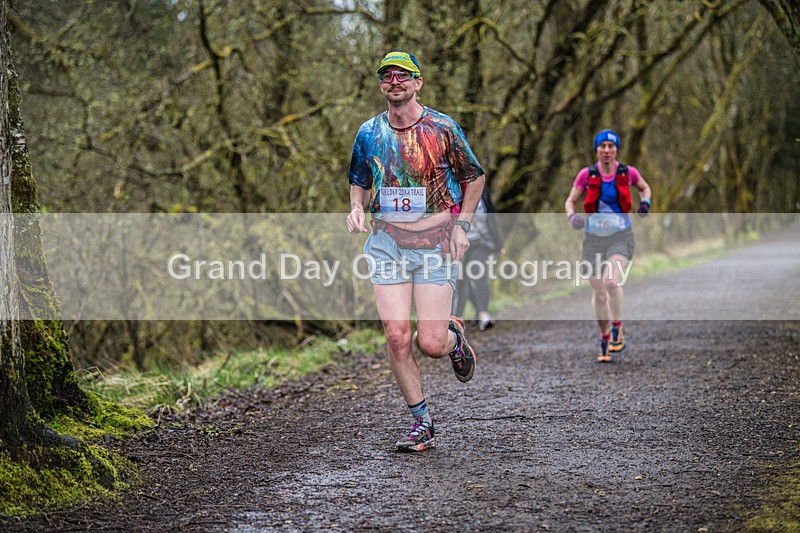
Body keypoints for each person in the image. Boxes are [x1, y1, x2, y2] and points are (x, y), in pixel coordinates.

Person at [346, 51, 486, 451]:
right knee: (395, 336)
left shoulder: (442, 127)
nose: (394, 81)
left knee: (430, 344)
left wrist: (463, 226)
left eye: (402, 75)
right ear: (380, 85)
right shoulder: (369, 132)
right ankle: (421, 422)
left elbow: (473, 178)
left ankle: (452, 336)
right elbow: (359, 179)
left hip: (435, 244)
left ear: (417, 82)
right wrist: (357, 208)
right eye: (386, 76)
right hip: (387, 243)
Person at [564, 129, 652, 363]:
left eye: (610, 146)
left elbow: (644, 187)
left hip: (621, 236)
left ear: (616, 150)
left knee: (611, 281)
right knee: (599, 295)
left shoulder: (628, 172)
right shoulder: (586, 175)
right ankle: (604, 337)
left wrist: (646, 203)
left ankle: (617, 327)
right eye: (602, 146)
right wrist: (572, 217)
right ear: (596, 150)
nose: (606, 150)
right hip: (593, 239)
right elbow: (570, 201)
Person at [452, 187, 505, 331]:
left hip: (480, 241)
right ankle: (457, 318)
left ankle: (484, 314)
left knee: (479, 274)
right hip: (457, 244)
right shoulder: (451, 189)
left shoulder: (482, 189)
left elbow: (491, 216)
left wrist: (499, 244)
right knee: (460, 280)